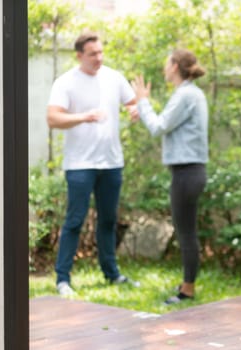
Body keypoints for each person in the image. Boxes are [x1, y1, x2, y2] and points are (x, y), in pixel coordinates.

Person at [47, 31, 140, 296]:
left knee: (108, 220)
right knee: (75, 220)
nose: (98, 57)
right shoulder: (66, 82)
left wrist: (134, 110)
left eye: (100, 52)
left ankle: (112, 274)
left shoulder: (113, 77)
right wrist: (84, 116)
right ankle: (63, 279)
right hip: (80, 165)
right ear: (79, 56)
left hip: (111, 162)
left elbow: (132, 103)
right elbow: (53, 119)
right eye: (92, 54)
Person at [130, 48, 209, 304]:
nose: (165, 68)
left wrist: (142, 100)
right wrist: (142, 108)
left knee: (186, 232)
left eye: (167, 63)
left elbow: (158, 126)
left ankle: (187, 290)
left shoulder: (185, 94)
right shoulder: (190, 93)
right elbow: (164, 122)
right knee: (187, 230)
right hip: (190, 171)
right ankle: (188, 282)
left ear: (175, 66)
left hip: (187, 172)